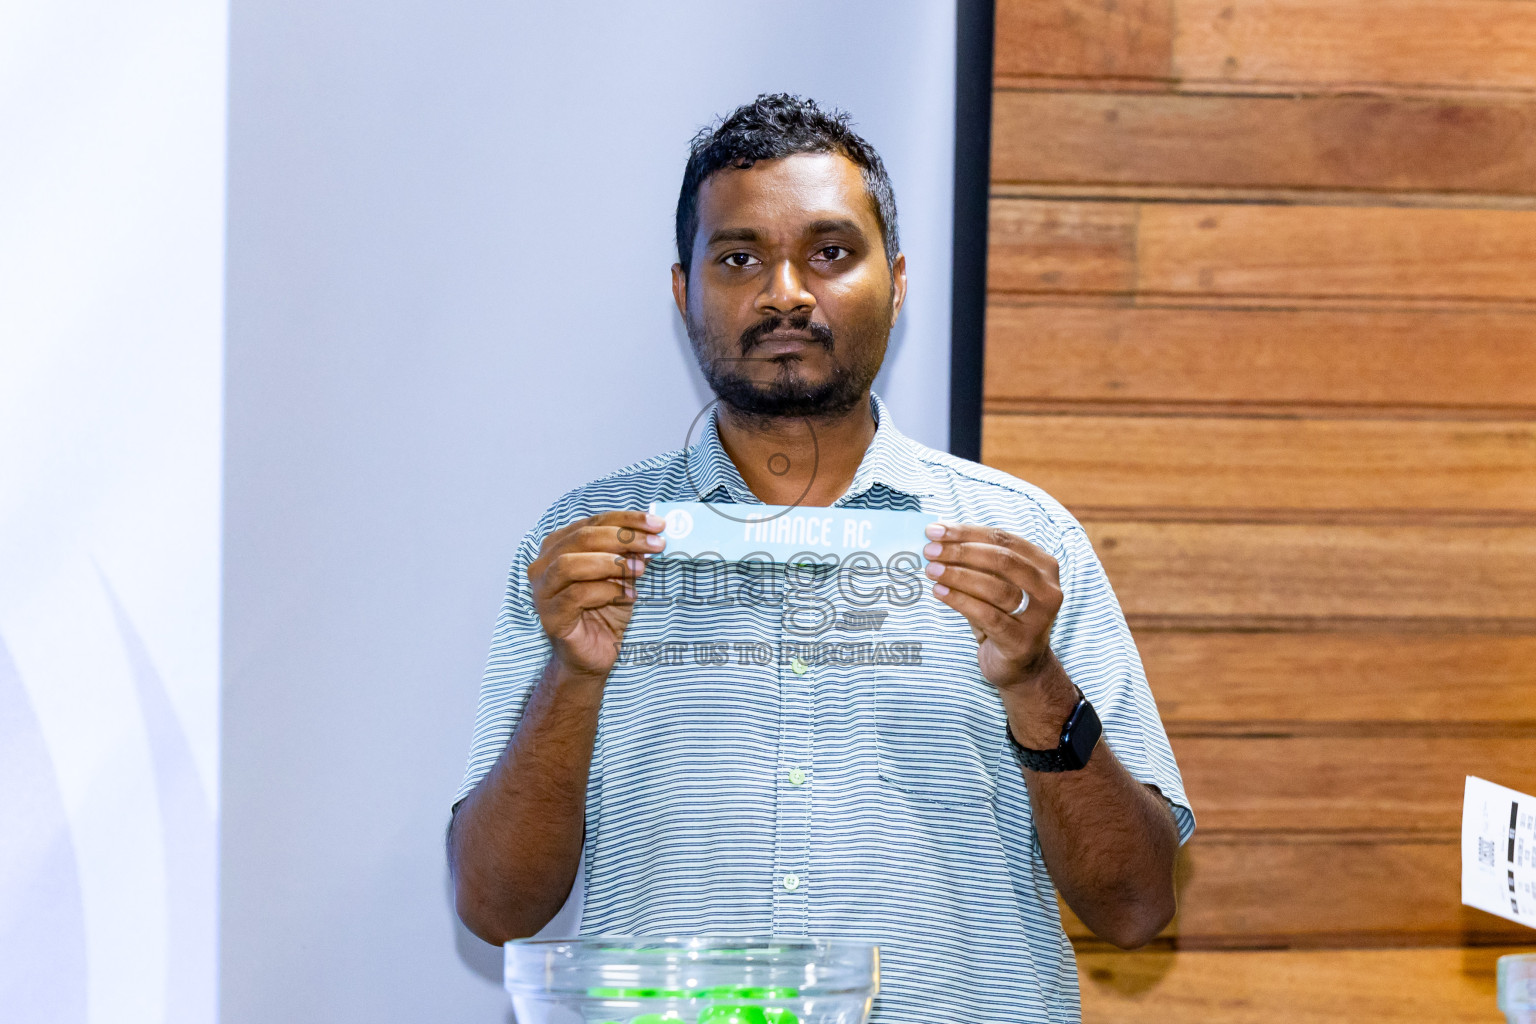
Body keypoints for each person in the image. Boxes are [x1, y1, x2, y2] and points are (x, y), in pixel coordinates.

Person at [448, 93, 1193, 1024]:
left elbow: (1135, 908)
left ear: (901, 280)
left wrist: (1036, 683)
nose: (786, 292)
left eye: (831, 253)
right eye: (740, 258)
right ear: (685, 291)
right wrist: (571, 676)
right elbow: (493, 908)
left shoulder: (1024, 543)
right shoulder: (585, 552)